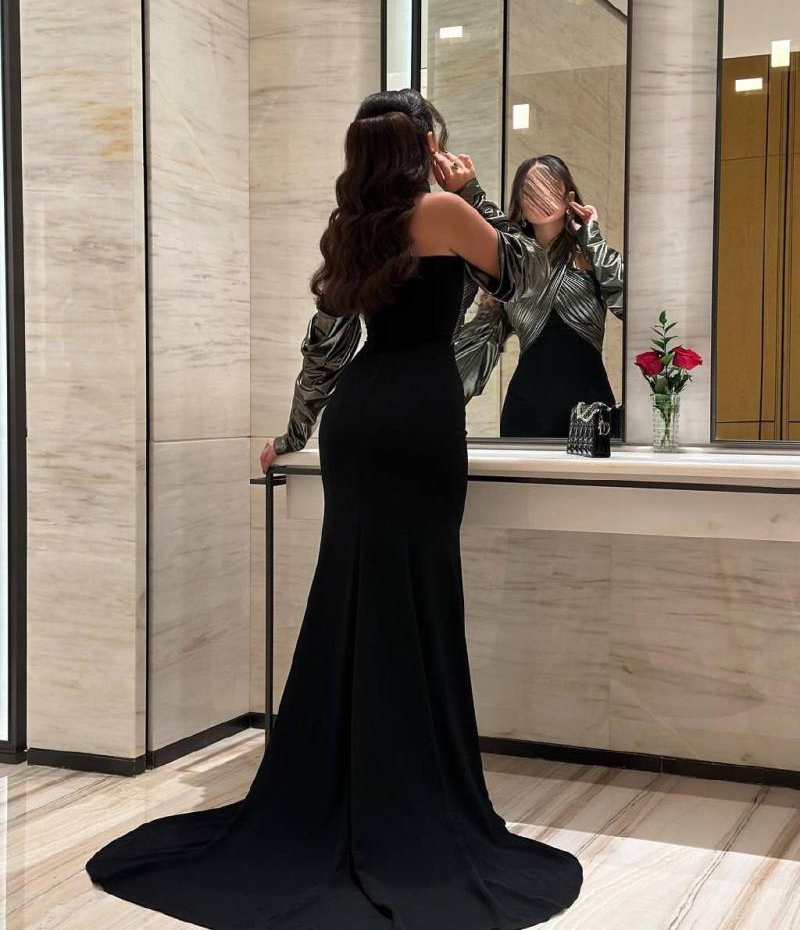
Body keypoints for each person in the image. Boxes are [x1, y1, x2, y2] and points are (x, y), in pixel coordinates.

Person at [85, 89, 583, 929]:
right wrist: (472, 192)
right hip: (419, 421)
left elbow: (327, 344)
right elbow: (533, 281)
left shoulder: (352, 226)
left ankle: (340, 779)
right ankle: (409, 793)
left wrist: (292, 432)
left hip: (359, 423)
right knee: (417, 603)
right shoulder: (442, 211)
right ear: (426, 144)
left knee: (353, 601)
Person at [452, 154, 624, 438]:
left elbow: (632, 306)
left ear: (569, 196)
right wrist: (436, 404)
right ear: (519, 203)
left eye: (550, 185)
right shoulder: (510, 271)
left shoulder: (590, 258)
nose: (541, 194)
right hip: (526, 413)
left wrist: (592, 237)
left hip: (590, 412)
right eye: (530, 189)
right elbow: (478, 345)